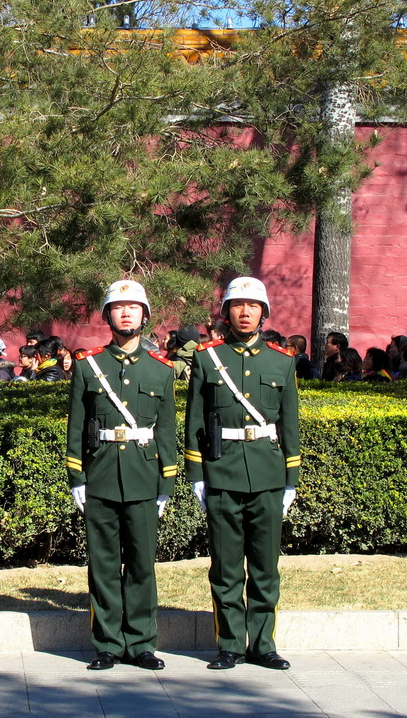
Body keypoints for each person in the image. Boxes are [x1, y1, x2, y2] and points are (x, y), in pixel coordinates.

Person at [184, 276, 300, 671]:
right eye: (238, 305)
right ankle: (230, 643)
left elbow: (290, 423)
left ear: (264, 313)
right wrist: (197, 474)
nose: (245, 312)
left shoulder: (282, 362)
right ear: (226, 312)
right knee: (226, 566)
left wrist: (291, 479)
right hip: (221, 471)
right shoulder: (206, 358)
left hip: (268, 474)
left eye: (253, 306)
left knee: (266, 566)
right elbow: (194, 420)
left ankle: (264, 643)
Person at [65, 279, 177, 671]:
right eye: (118, 307)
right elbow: (76, 426)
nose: (126, 313)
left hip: (144, 477)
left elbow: (166, 430)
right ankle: (109, 643)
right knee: (104, 564)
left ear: (145, 316)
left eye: (134, 307)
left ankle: (142, 643)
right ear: (108, 315)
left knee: (143, 564)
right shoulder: (87, 366)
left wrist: (168, 482)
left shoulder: (161, 371)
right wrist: (77, 478)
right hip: (100, 476)